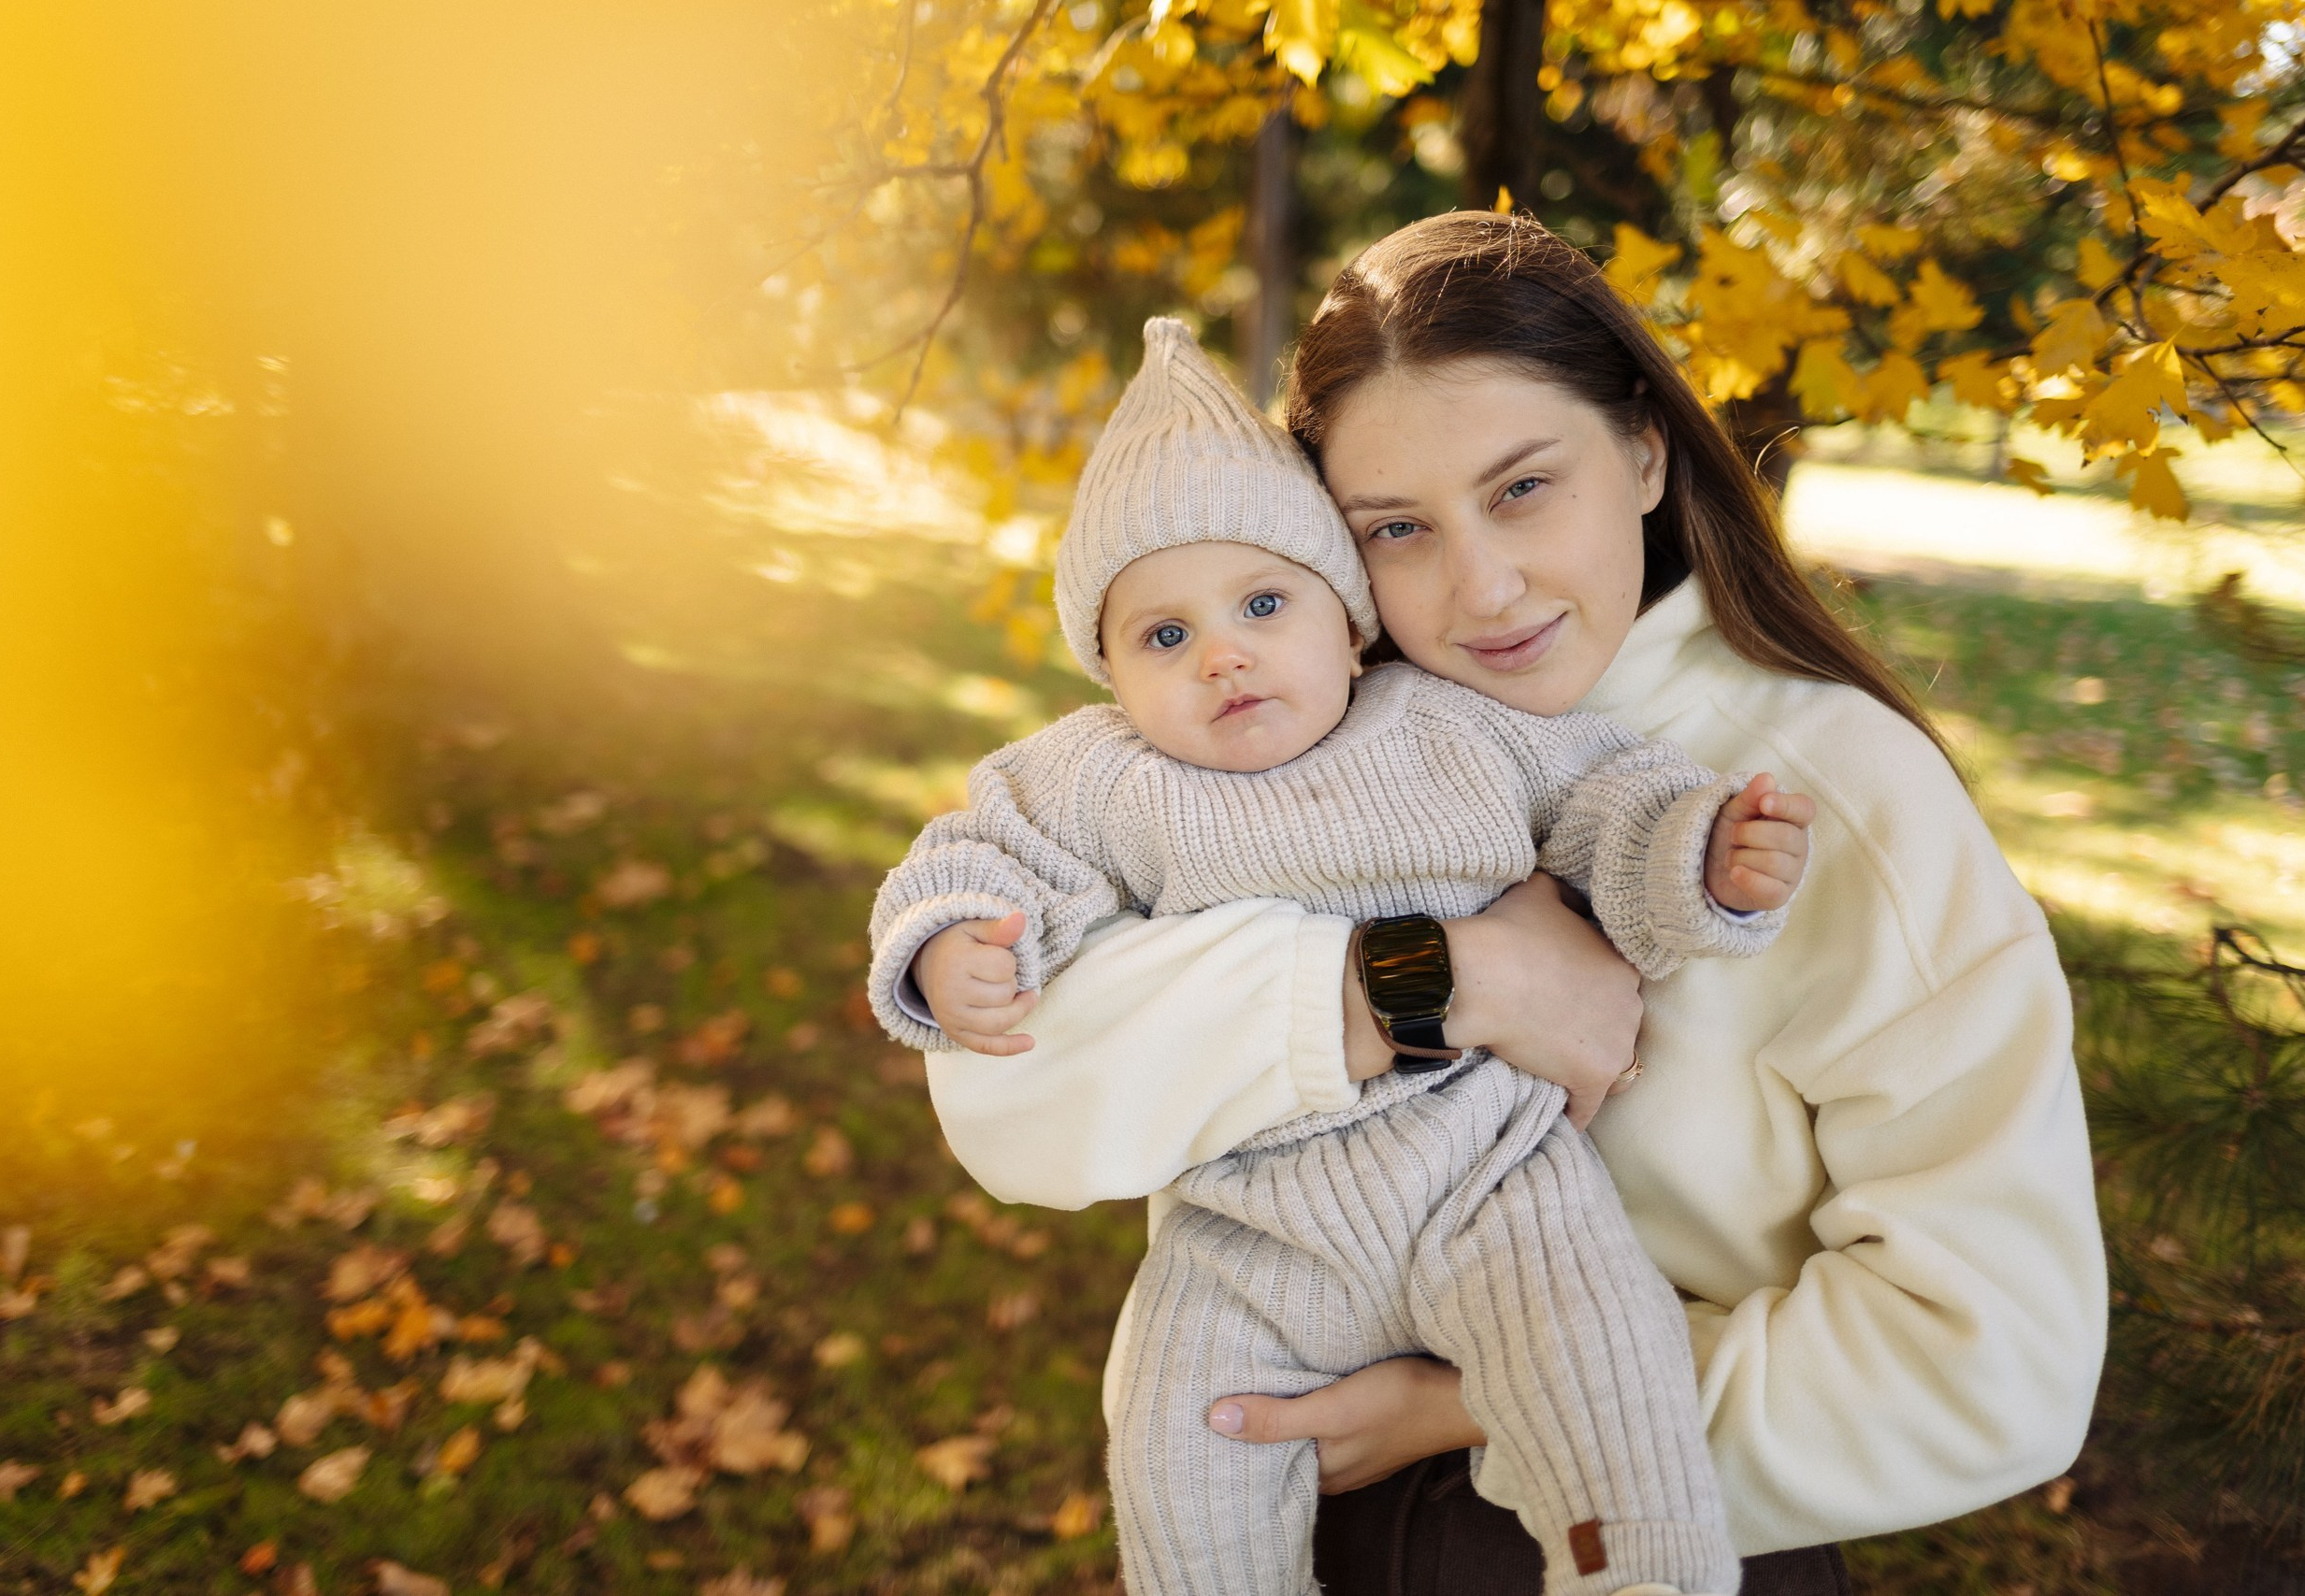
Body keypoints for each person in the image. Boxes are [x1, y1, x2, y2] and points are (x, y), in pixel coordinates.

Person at [911, 213, 2109, 1596]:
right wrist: (1439, 978)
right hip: (1297, 1512)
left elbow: (1993, 1363)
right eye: (1399, 529)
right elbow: (1007, 1096)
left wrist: (1476, 1405)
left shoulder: (1829, 798)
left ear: (1645, 452)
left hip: (1650, 1514)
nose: (1480, 588)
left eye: (1525, 489)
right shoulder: (1267, 756)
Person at [869, 315, 1817, 1596]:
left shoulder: (1449, 723)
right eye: (1163, 637)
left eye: (1264, 603)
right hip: (1249, 1227)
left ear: (1347, 619)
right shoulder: (1100, 779)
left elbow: (1612, 805)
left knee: (1599, 1354)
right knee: (1178, 1432)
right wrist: (944, 951)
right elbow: (979, 855)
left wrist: (1702, 856)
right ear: (1107, 672)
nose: (1224, 653)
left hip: (1487, 1175)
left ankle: (1641, 1570)